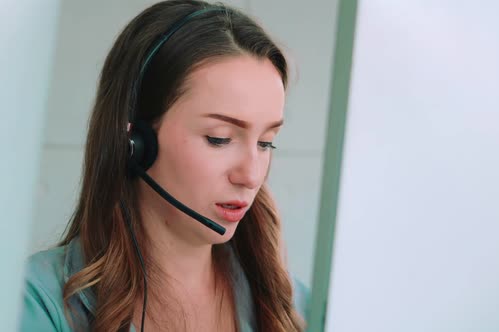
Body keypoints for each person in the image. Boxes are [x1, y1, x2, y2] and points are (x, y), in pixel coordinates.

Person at [18, 0, 309, 331]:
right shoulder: (34, 301)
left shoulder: (296, 305)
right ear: (135, 143)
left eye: (265, 142)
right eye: (219, 138)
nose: (252, 175)